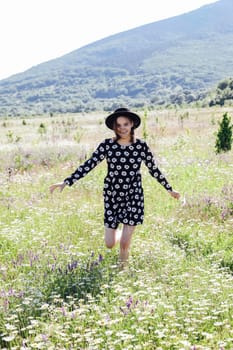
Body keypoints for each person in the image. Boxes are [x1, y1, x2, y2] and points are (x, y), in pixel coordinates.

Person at [49, 107, 180, 267]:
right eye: (118, 125)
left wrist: (169, 189)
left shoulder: (141, 146)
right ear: (114, 127)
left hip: (133, 196)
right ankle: (118, 233)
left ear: (132, 124)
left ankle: (122, 271)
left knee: (125, 243)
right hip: (112, 196)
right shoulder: (107, 145)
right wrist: (67, 181)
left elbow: (154, 169)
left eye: (125, 124)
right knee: (110, 244)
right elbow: (89, 164)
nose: (122, 128)